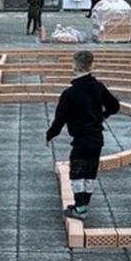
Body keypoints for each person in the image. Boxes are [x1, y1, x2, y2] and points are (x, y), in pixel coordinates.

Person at [46, 50, 120, 220]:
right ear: (91, 65)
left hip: (81, 140)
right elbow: (114, 106)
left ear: (74, 66)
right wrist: (102, 116)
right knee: (90, 173)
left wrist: (50, 135)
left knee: (77, 173)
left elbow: (60, 120)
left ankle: (80, 209)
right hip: (96, 139)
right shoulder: (98, 87)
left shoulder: (69, 94)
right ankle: (83, 205)